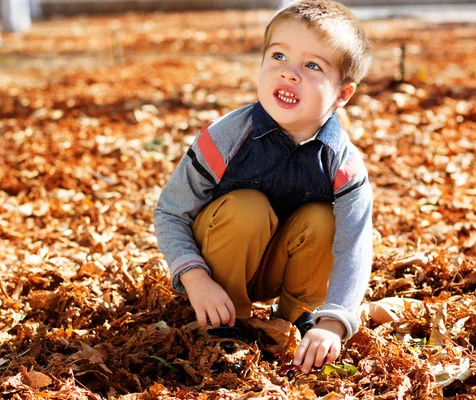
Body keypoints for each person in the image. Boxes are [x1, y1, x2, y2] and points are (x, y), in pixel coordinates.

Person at [154, 0, 373, 373]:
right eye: (278, 56)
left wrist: (335, 322)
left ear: (342, 94)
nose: (289, 73)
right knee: (246, 207)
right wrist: (195, 278)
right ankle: (229, 324)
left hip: (283, 264)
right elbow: (171, 211)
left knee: (326, 219)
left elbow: (354, 246)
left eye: (312, 65)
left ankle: (293, 321)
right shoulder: (226, 137)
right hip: (220, 266)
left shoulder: (343, 163)